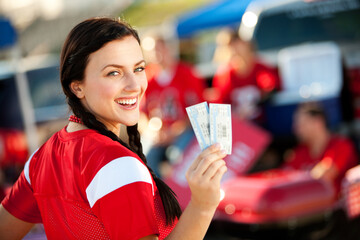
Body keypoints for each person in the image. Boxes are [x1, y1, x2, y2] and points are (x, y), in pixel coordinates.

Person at [0, 17, 227, 240]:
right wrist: (203, 205)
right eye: (114, 72)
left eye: (139, 69)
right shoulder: (116, 165)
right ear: (77, 87)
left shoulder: (41, 158)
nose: (134, 85)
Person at [143, 36, 206, 177]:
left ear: (168, 48)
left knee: (178, 158)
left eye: (160, 49)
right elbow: (140, 114)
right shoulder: (145, 78)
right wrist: (151, 130)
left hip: (184, 130)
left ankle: (183, 194)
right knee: (145, 157)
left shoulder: (187, 73)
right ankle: (160, 196)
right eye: (152, 51)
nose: (157, 54)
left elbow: (199, 110)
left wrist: (176, 130)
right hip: (159, 133)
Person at [283, 102, 358, 193]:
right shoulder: (299, 152)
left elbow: (326, 174)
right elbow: (284, 179)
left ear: (317, 123)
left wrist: (300, 178)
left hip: (341, 205)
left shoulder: (341, 145)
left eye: (301, 124)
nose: (295, 129)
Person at [212, 30, 279, 121]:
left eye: (239, 45)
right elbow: (221, 104)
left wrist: (257, 101)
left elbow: (270, 87)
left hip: (261, 122)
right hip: (237, 124)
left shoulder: (260, 68)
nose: (236, 50)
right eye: (232, 47)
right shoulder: (224, 75)